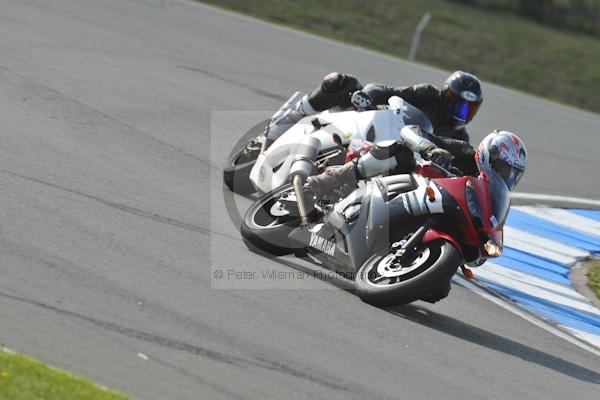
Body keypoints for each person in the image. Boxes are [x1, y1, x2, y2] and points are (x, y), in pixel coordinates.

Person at [265, 71, 483, 173]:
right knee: (339, 82)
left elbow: (454, 170)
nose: (460, 113)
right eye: (456, 104)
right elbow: (386, 90)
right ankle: (286, 122)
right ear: (445, 95)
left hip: (397, 160)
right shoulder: (427, 94)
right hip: (378, 125)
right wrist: (368, 96)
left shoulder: (459, 139)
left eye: (468, 109)